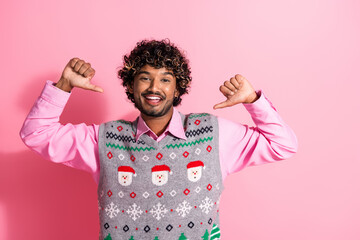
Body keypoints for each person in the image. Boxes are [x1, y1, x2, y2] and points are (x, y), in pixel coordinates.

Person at [20, 39, 298, 240]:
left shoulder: (213, 134)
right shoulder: (104, 140)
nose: (155, 87)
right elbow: (36, 135)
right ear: (131, 85)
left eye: (166, 79)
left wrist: (252, 101)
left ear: (179, 87)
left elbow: (283, 145)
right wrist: (63, 86)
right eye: (145, 78)